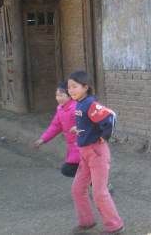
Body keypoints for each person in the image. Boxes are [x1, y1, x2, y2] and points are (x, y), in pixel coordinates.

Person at [68, 71, 124, 235]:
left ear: (85, 87)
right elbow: (90, 123)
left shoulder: (89, 103)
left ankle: (115, 226)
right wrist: (79, 129)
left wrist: (104, 136)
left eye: (75, 86)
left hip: (97, 153)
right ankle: (87, 222)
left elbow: (110, 116)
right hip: (84, 154)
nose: (71, 90)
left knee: (99, 193)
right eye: (69, 87)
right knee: (77, 189)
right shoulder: (80, 103)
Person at [34, 81, 80, 177]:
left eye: (61, 95)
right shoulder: (60, 109)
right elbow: (55, 126)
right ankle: (93, 182)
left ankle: (95, 181)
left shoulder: (76, 108)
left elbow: (87, 124)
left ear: (70, 95)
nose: (58, 98)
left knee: (68, 170)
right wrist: (43, 139)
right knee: (76, 171)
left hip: (81, 146)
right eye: (57, 95)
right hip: (72, 146)